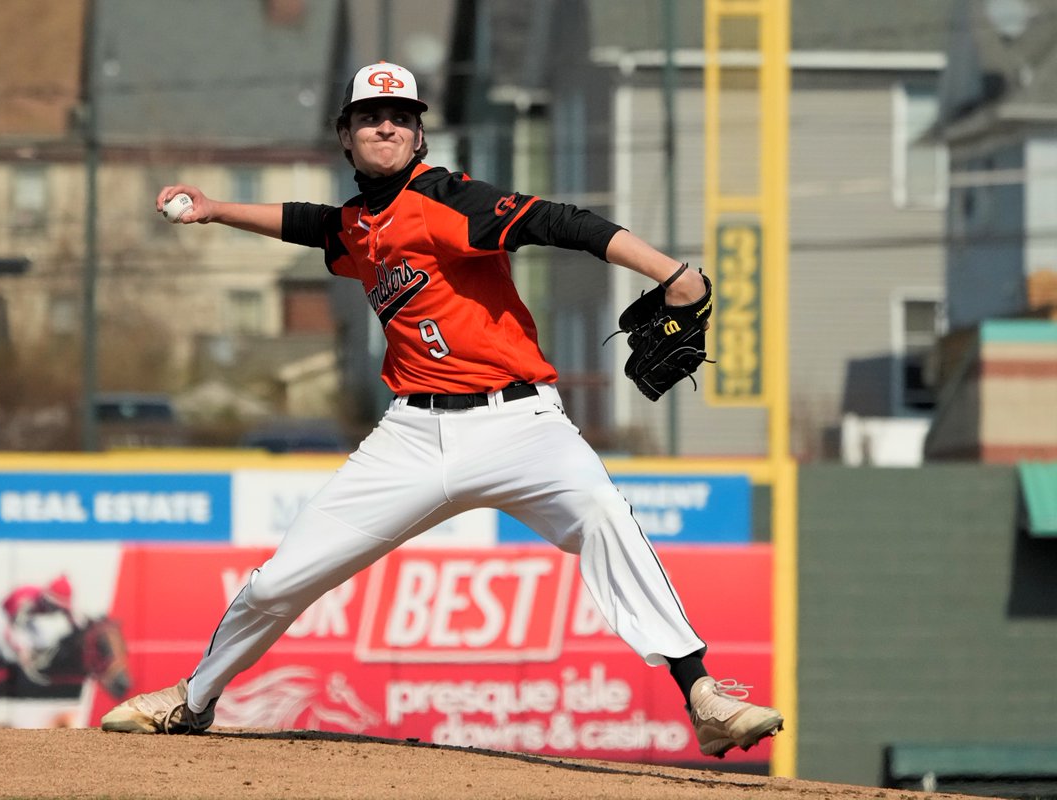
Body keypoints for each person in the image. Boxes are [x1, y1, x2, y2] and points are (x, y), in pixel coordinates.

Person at [101, 61, 783, 758]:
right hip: (412, 435)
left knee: (606, 518)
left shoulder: (448, 200)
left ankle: (702, 694)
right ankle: (192, 701)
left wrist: (671, 272)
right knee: (281, 579)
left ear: (420, 133)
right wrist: (216, 208)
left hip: (520, 424)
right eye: (370, 116)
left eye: (400, 115)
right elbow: (316, 225)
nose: (387, 125)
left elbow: (562, 222)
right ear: (345, 136)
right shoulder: (362, 221)